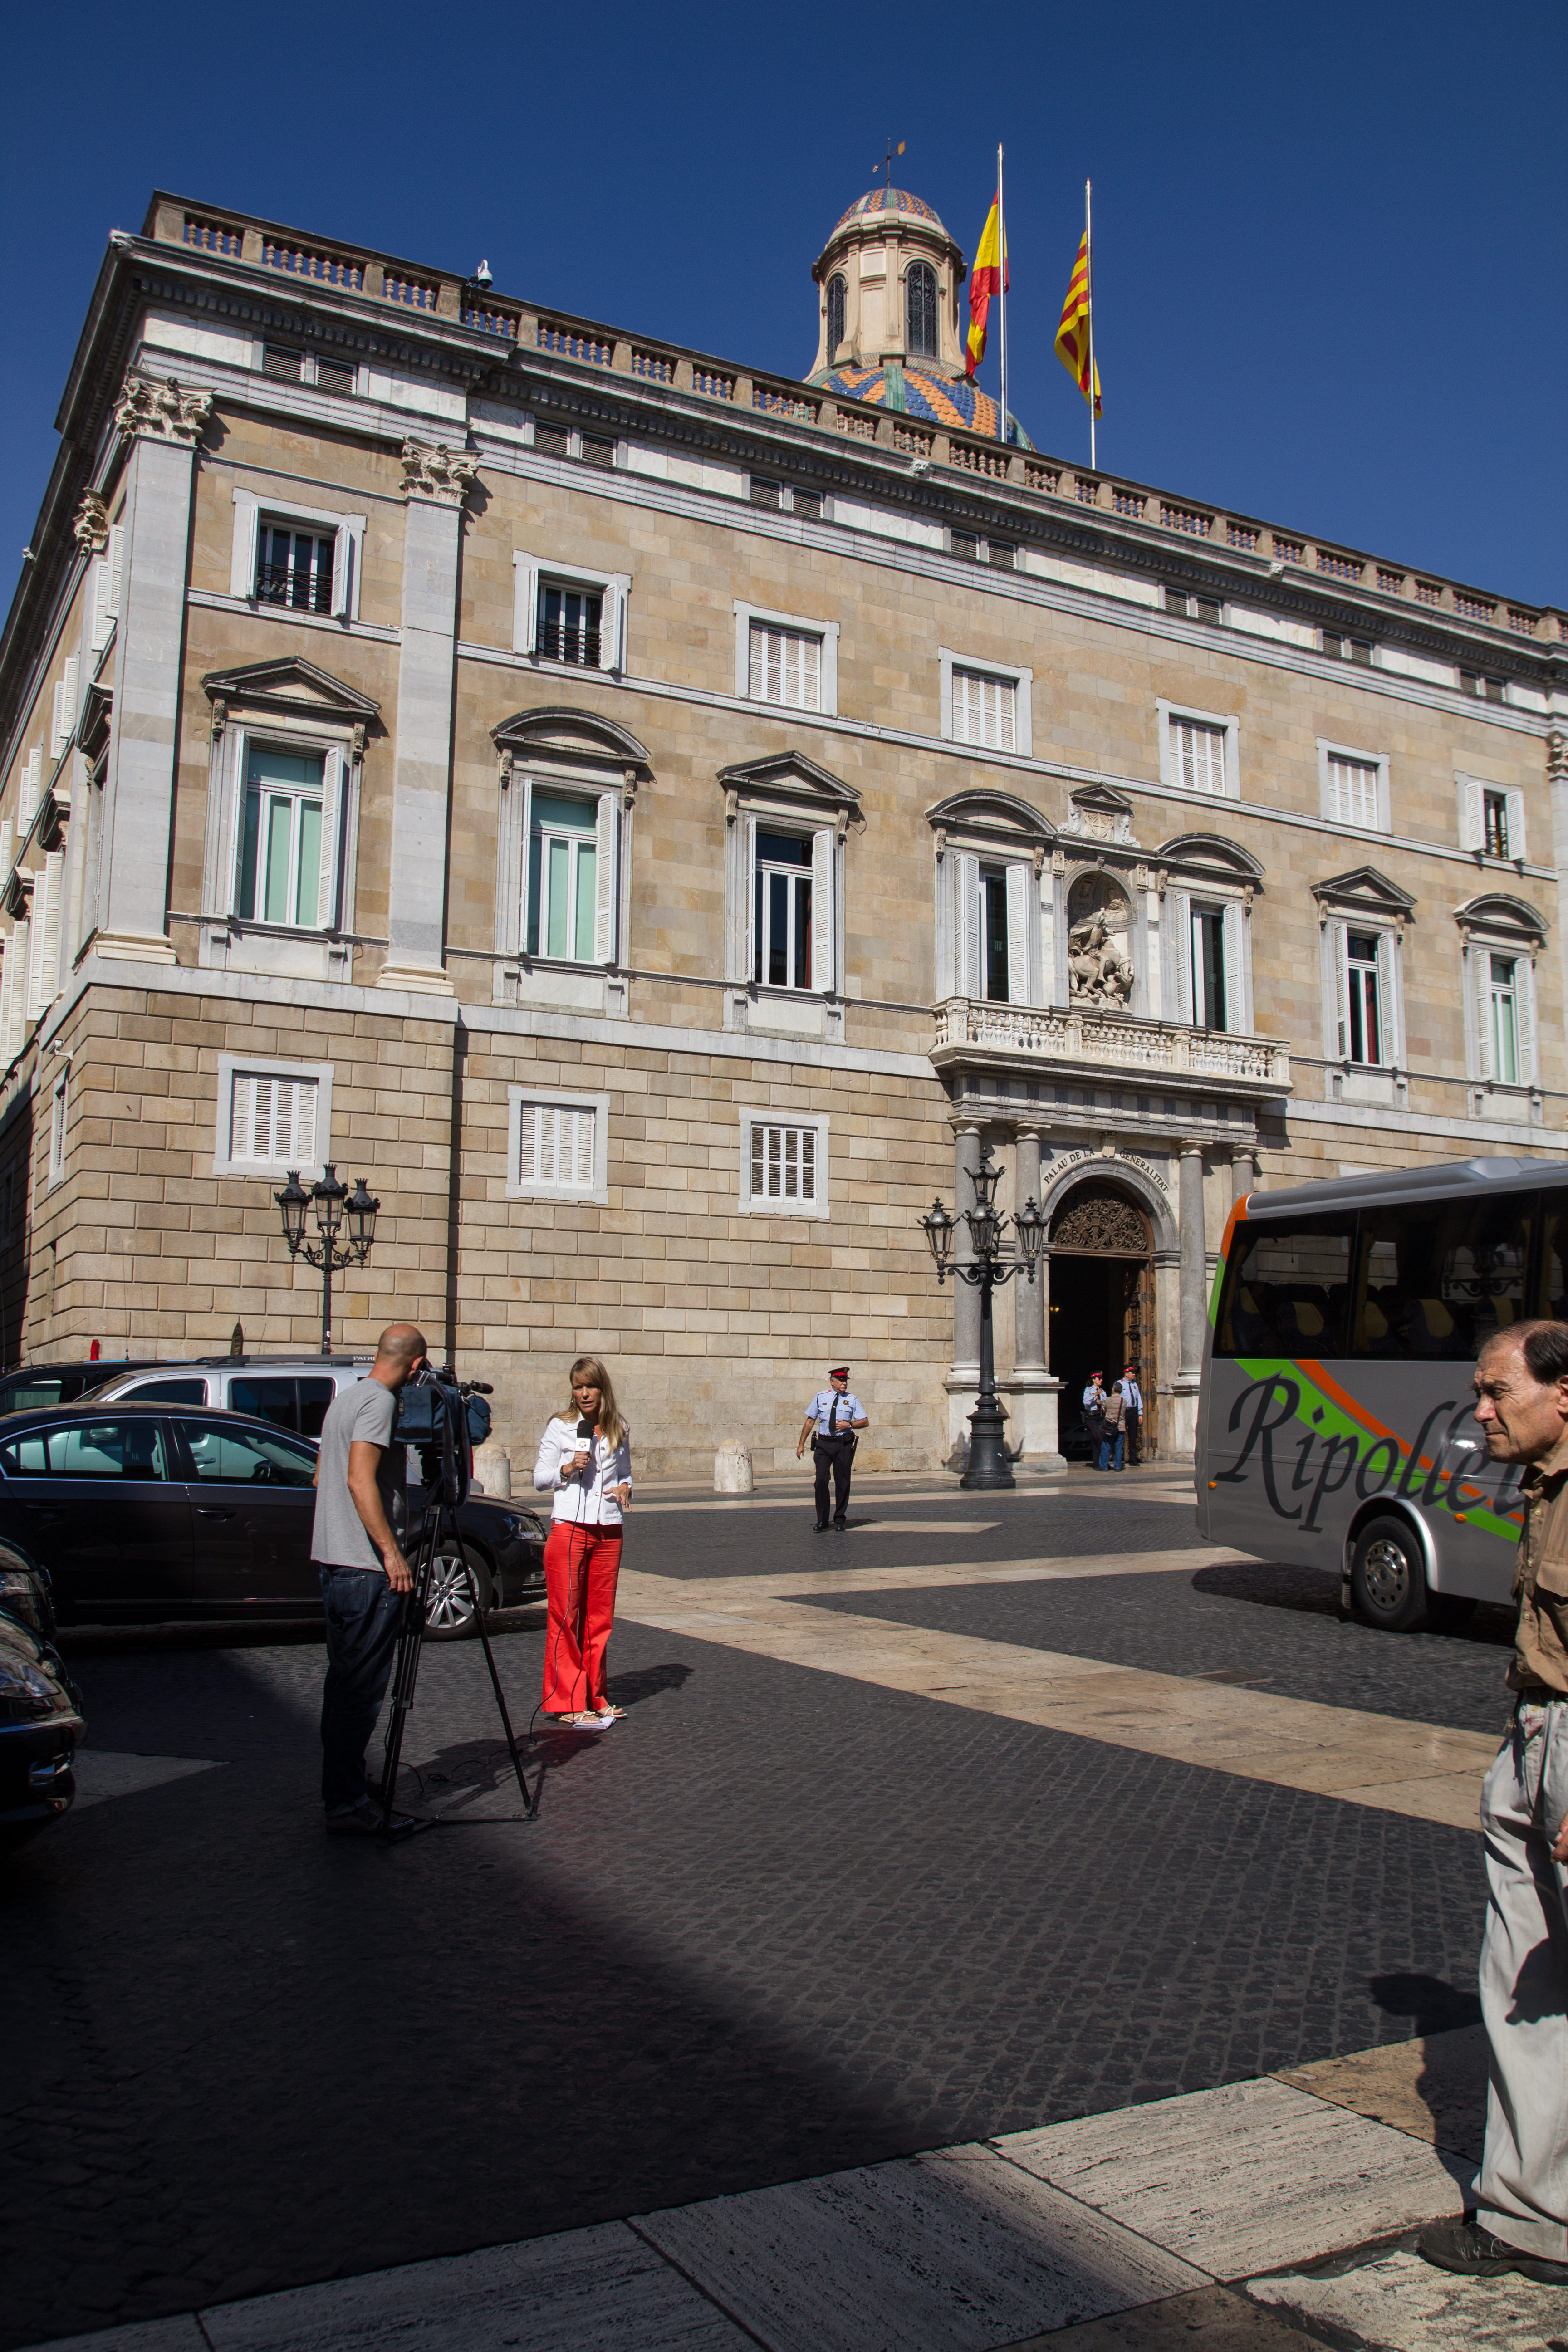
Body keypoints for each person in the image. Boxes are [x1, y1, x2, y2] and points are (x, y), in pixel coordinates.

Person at [1419, 1320, 1568, 2287]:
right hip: (1535, 1731)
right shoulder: (1543, 1485)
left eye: (1497, 1391)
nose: (1478, 1411)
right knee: (1525, 1982)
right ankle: (1535, 2215)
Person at [310, 1321, 427, 1837]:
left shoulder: (347, 1397)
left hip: (333, 1563)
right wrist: (392, 1555)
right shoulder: (380, 1402)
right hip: (364, 1569)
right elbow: (359, 1480)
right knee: (361, 1693)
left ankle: (345, 1784)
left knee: (342, 1685)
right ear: (416, 1365)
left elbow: (322, 1475)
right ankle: (345, 1802)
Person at [533, 1355, 632, 1729]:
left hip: (609, 1528)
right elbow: (539, 1479)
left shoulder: (619, 1427)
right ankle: (568, 1700)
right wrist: (566, 1469)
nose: (585, 1393)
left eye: (591, 1386)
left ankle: (596, 1694)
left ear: (602, 1389)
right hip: (570, 1528)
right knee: (565, 1615)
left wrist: (626, 1489)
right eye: (578, 1387)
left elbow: (626, 1474)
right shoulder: (560, 1427)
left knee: (600, 1618)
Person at [797, 1364, 869, 1532]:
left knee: (842, 1482)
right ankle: (822, 1520)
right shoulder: (820, 1397)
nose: (844, 1383)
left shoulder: (852, 1400)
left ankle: (839, 1519)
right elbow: (810, 1421)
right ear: (832, 1381)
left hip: (843, 1445)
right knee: (821, 1480)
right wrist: (801, 1444)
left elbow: (865, 1422)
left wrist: (849, 1425)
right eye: (841, 1380)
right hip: (824, 1444)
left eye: (846, 1381)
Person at [1098, 1372, 1127, 1474]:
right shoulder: (1124, 1401)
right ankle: (1118, 1466)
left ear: (1113, 1390)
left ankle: (1104, 1466)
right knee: (1119, 1448)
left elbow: (1105, 1410)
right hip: (1121, 1427)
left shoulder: (1108, 1400)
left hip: (1109, 1426)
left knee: (1107, 1446)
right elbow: (1124, 1412)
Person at [1118, 1362, 1144, 1469]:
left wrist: (1140, 1413)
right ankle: (1119, 1459)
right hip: (1124, 1412)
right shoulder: (1119, 1384)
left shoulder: (1134, 1385)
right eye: (1132, 1373)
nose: (1134, 1374)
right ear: (1126, 1374)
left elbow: (1138, 1399)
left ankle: (1133, 1459)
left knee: (1133, 1436)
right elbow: (1116, 1399)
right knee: (1121, 1435)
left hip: (1133, 1411)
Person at [1082, 1371, 1107, 1468]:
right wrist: (1095, 1395)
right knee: (1099, 1437)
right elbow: (1086, 1402)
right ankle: (1102, 1461)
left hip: (1100, 1417)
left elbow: (1106, 1405)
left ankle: (1098, 1462)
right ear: (1094, 1380)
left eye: (1102, 1379)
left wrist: (1102, 1404)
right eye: (1099, 1379)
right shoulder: (1089, 1390)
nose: (1101, 1380)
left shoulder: (1103, 1392)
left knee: (1098, 1439)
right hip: (1091, 1417)